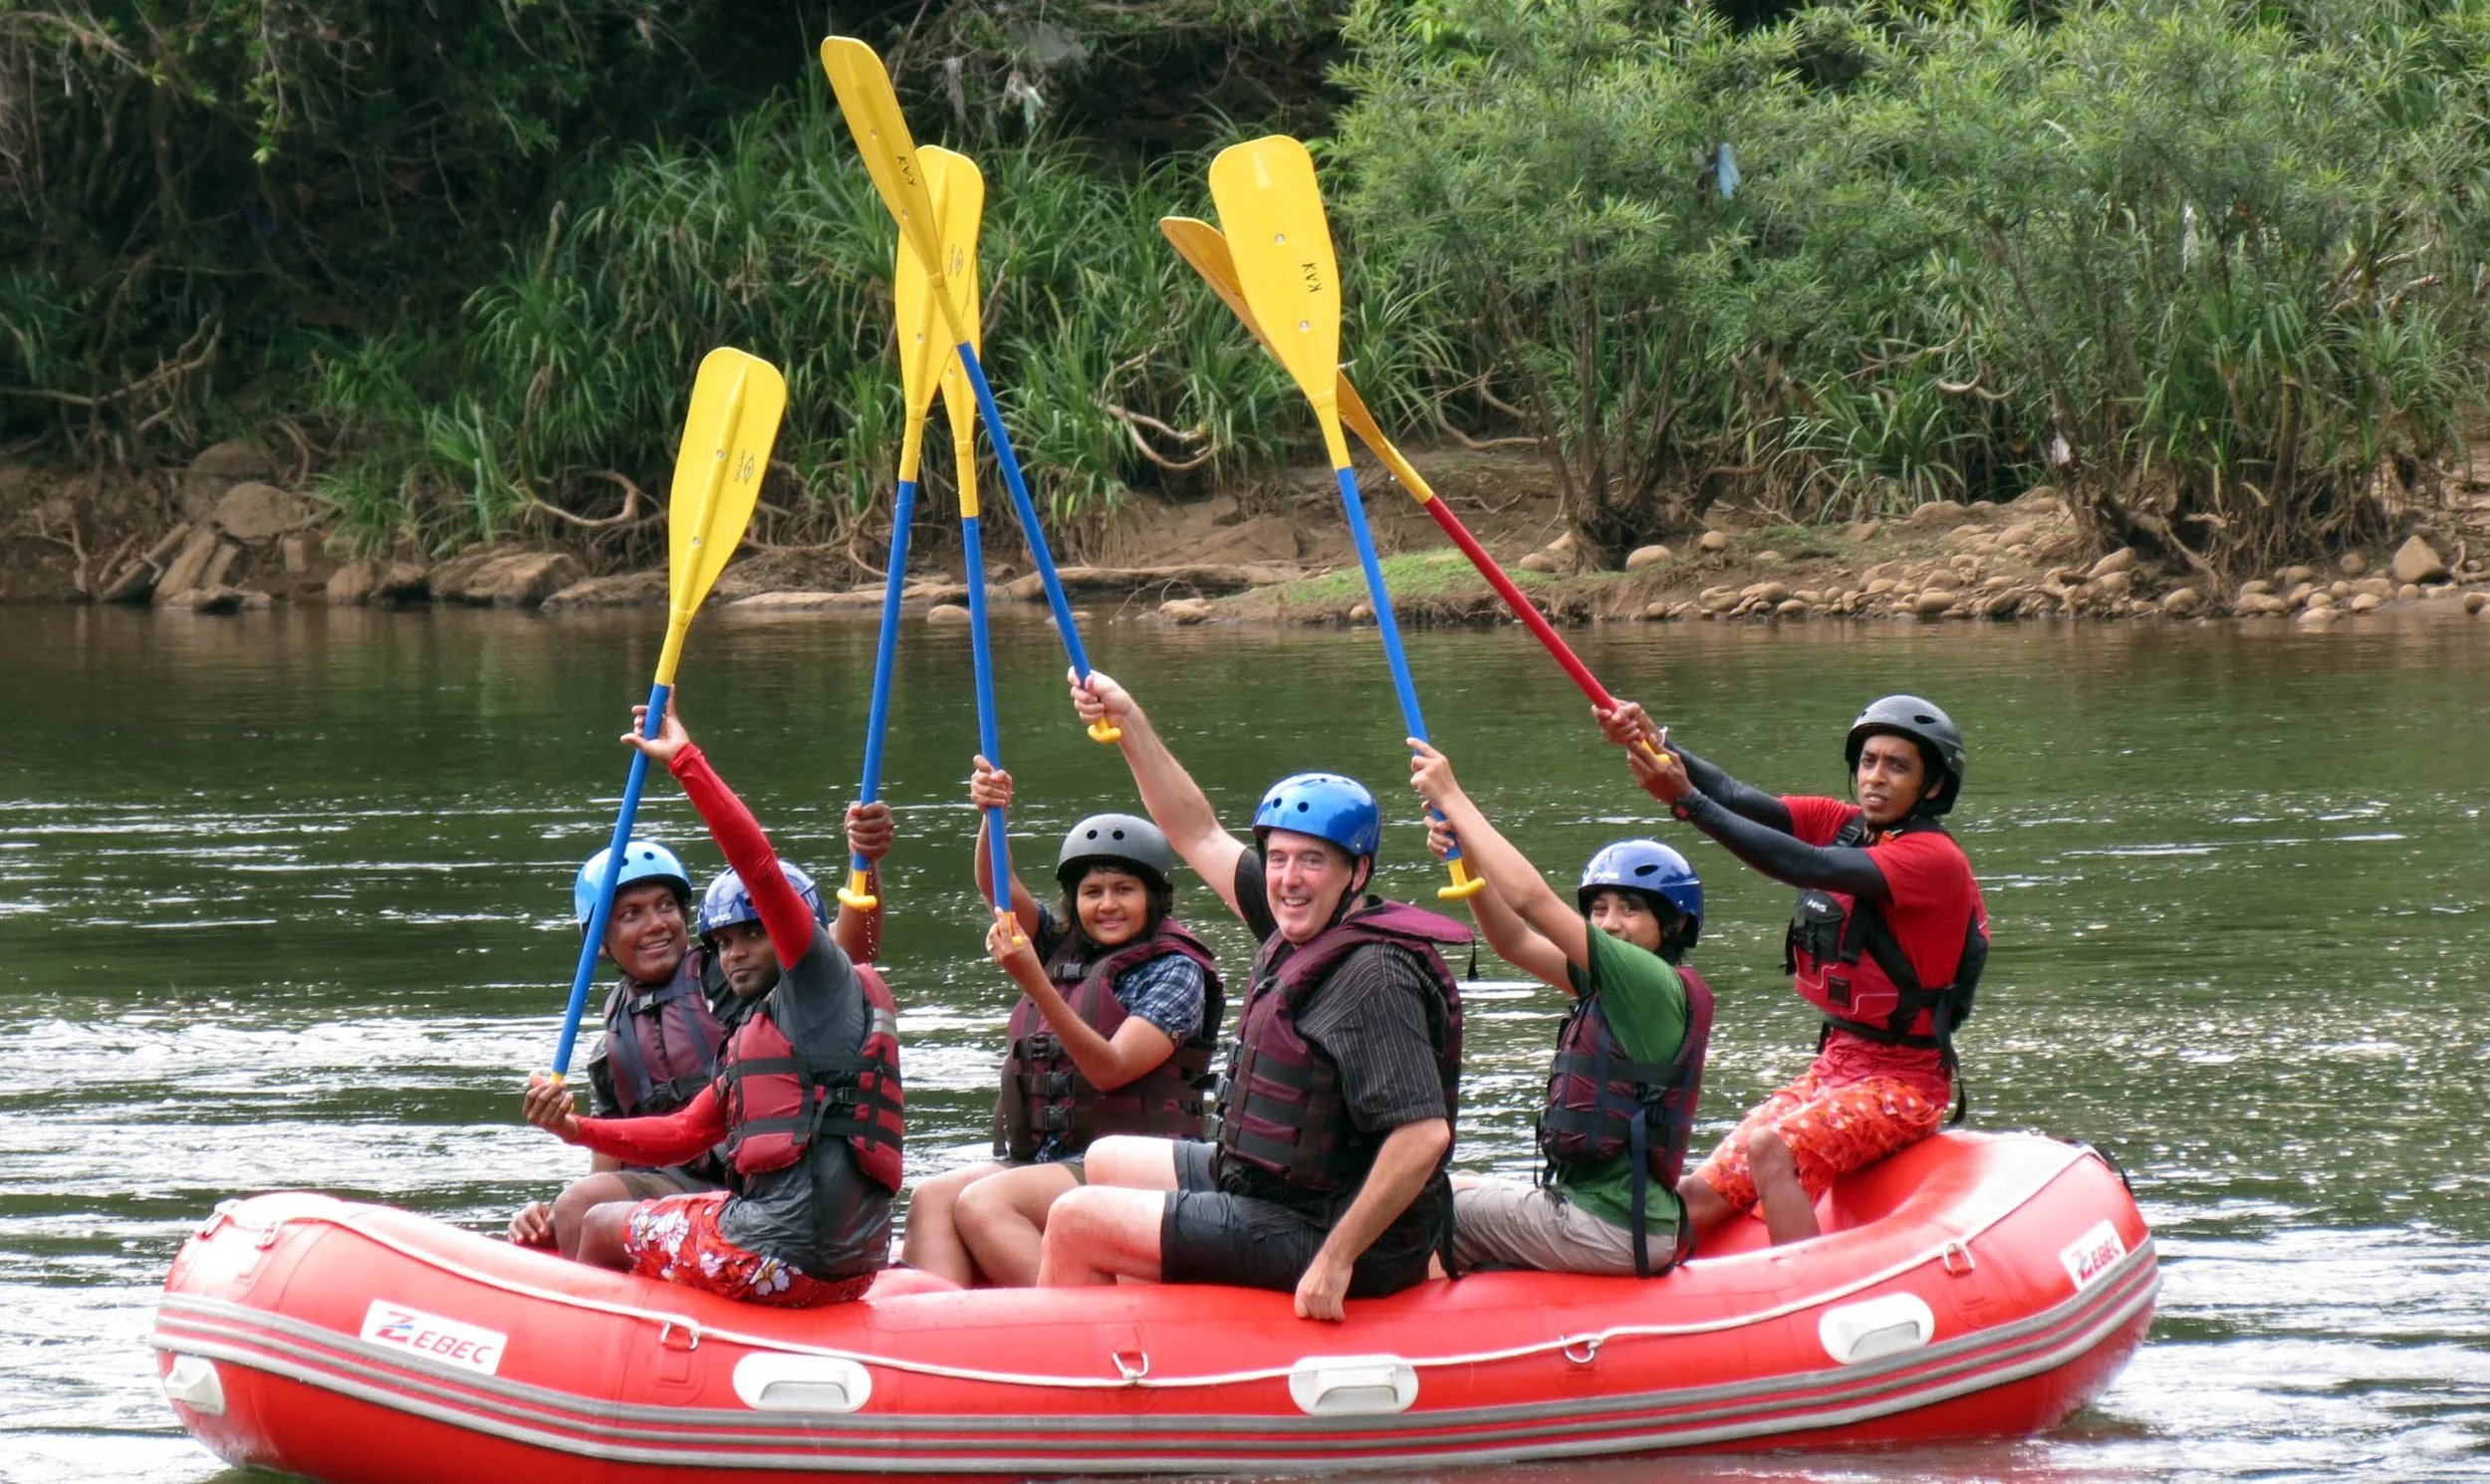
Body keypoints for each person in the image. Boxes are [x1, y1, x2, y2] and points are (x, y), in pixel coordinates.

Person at [1034, 670, 1467, 1322]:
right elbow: (1196, 832)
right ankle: (1150, 1338)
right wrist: (1129, 721)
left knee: (1074, 1217)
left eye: (1312, 861)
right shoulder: (1297, 926)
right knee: (1105, 1156)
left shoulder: (1374, 978)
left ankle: (1069, 1397)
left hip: (1332, 1231)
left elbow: (1423, 1135)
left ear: (1359, 873)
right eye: (1278, 858)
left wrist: (1336, 1260)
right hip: (1271, 1187)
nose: (1289, 879)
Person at [518, 699, 904, 1307]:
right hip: (844, 1261)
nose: (734, 954)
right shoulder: (758, 1028)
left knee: (598, 1224)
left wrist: (686, 762)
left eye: (754, 934)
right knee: (594, 1208)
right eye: (722, 941)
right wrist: (571, 1128)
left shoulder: (818, 983)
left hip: (773, 1247)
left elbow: (758, 867)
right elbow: (683, 1131)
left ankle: (606, 1374)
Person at [1600, 694, 1987, 1246]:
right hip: (1836, 1063)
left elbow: (1798, 863)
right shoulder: (1846, 825)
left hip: (1908, 1082)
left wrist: (1685, 802)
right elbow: (1736, 797)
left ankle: (1807, 1297)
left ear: (1931, 787)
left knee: (1771, 1147)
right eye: (1869, 761)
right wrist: (1653, 743)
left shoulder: (1932, 860)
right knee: (1695, 1194)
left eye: (1897, 766)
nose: (1875, 777)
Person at [900, 758, 1226, 1287]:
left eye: (1125, 889)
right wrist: (991, 814)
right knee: (932, 1198)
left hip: (1136, 1169)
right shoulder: (1062, 945)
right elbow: (996, 885)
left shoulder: (1175, 971)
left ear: (1154, 898)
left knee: (985, 1205)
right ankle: (939, 1336)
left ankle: (1077, 1332)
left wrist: (1034, 982)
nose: (1108, 905)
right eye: (1093, 893)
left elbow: (1111, 1070)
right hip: (1056, 1158)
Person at [508, 808, 890, 1255]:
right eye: (631, 914)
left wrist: (863, 863)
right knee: (576, 1206)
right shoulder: (609, 1044)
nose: (656, 925)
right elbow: (609, 1168)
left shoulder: (730, 970)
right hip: (678, 1185)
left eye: (666, 906)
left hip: (766, 1186)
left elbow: (847, 955)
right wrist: (555, 1211)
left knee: (582, 1204)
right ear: (601, 942)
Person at [1407, 741, 1711, 1278]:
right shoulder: (1614, 986)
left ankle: (1417, 1337)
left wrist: (1454, 799)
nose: (1610, 922)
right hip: (1607, 1215)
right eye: (1598, 909)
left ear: (1675, 925)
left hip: (1613, 1226)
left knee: (1421, 1205)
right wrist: (1468, 863)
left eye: (1631, 909)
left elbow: (1533, 903)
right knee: (1454, 1182)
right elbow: (1514, 941)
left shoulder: (1649, 984)